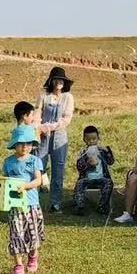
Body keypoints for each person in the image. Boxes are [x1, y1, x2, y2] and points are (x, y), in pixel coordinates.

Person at [1, 124, 46, 274]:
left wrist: (25, 186)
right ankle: (18, 264)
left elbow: (38, 180)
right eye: (21, 143)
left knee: (33, 234)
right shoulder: (8, 162)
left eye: (28, 143)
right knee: (16, 234)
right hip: (14, 205)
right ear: (15, 144)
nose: (25, 147)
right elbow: (5, 181)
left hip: (31, 204)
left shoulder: (35, 161)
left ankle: (33, 257)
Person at [37, 67, 76, 213]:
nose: (59, 82)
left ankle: (55, 203)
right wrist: (38, 127)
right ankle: (34, 202)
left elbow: (66, 119)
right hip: (42, 136)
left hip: (59, 136)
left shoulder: (68, 97)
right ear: (51, 81)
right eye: (56, 79)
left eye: (62, 80)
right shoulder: (43, 96)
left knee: (58, 169)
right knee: (38, 166)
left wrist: (49, 127)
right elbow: (37, 113)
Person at [72, 125, 115, 215]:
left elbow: (111, 162)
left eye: (94, 139)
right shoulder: (83, 152)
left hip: (101, 177)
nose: (91, 141)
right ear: (84, 139)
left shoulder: (102, 151)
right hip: (87, 178)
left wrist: (107, 151)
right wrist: (87, 163)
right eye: (88, 139)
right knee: (79, 184)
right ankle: (80, 206)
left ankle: (102, 206)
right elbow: (79, 167)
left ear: (98, 138)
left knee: (109, 183)